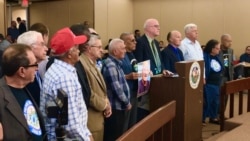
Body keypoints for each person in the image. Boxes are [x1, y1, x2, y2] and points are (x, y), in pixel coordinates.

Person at [40, 27, 93, 141]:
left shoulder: (57, 69)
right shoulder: (64, 78)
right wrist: (87, 138)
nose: (79, 51)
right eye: (76, 48)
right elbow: (71, 125)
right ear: (69, 53)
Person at [0, 44, 47, 141]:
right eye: (34, 64)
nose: (37, 68)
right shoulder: (2, 96)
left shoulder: (24, 87)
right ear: (22, 71)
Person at [78, 33, 112, 141]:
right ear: (89, 48)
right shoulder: (81, 64)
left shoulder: (92, 63)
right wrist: (104, 105)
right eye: (99, 47)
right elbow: (88, 92)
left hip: (98, 119)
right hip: (91, 121)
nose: (102, 50)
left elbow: (100, 88)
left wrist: (107, 101)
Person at [102, 38, 131, 141]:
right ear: (115, 51)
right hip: (115, 108)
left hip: (118, 107)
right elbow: (117, 88)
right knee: (114, 136)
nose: (125, 50)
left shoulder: (116, 63)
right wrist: (127, 102)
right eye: (123, 48)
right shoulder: (111, 65)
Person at [133, 18, 163, 121]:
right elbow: (139, 61)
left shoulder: (156, 43)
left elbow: (158, 60)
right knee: (144, 111)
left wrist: (163, 70)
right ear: (148, 28)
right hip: (145, 81)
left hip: (158, 80)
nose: (159, 28)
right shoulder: (140, 42)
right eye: (156, 26)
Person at [17, 31, 48, 106]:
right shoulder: (24, 74)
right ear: (30, 48)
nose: (46, 48)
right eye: (42, 44)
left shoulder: (35, 69)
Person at [120, 32, 139, 128]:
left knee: (132, 124)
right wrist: (127, 76)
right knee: (125, 125)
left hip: (135, 92)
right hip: (125, 95)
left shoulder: (132, 55)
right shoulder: (121, 57)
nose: (135, 42)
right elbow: (115, 76)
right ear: (124, 42)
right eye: (132, 40)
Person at [202, 39, 223, 125]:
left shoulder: (217, 57)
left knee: (215, 101)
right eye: (217, 48)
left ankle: (213, 117)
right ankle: (202, 118)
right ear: (212, 48)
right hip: (208, 83)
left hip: (217, 83)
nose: (219, 50)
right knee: (207, 101)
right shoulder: (205, 56)